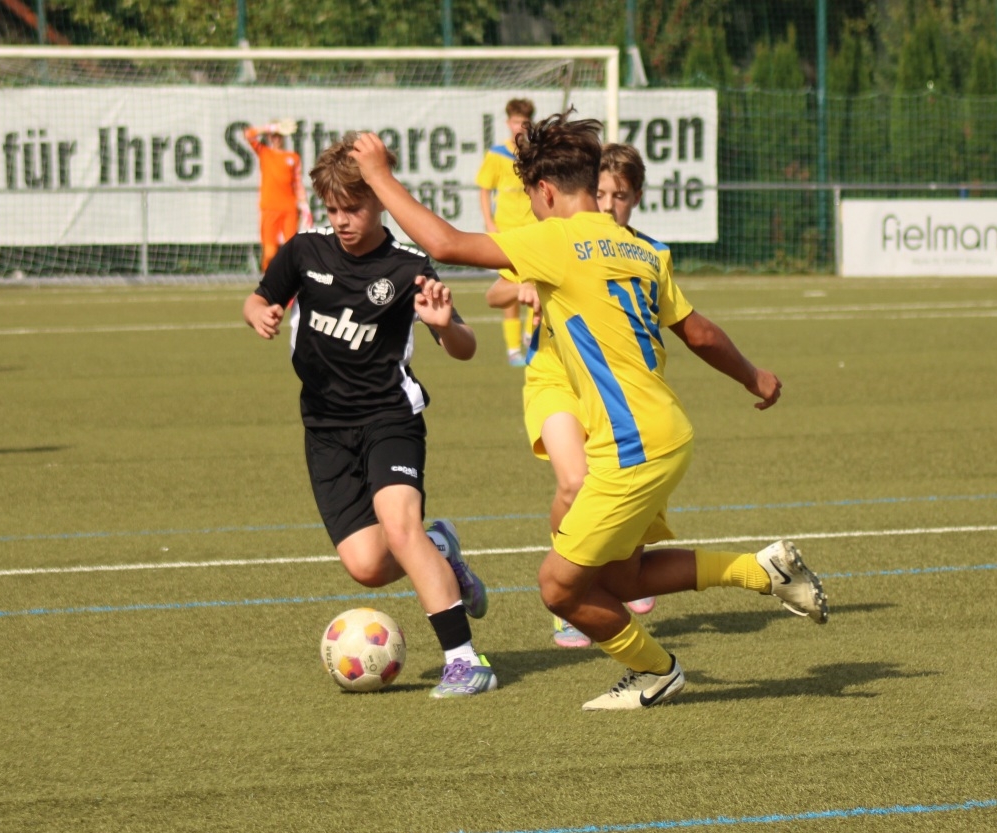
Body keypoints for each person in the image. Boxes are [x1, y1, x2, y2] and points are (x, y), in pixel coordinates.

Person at [350, 114, 827, 711]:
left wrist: (380, 175)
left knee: (558, 588)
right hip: (664, 433)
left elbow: (444, 243)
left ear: (545, 192)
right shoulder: (641, 248)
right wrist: (754, 375)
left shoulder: (554, 241)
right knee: (624, 579)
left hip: (633, 448)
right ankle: (764, 571)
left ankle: (655, 671)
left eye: (531, 198)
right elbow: (698, 332)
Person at [243, 132, 496, 699]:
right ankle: (442, 548)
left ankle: (465, 661)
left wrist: (445, 324)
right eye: (333, 209)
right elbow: (258, 298)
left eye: (353, 208)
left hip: (389, 419)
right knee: (366, 566)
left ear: (379, 201)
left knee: (400, 527)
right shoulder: (304, 252)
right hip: (325, 429)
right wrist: (258, 313)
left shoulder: (408, 266)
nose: (342, 220)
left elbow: (465, 347)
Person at [484, 143, 663, 649]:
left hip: (614, 385)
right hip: (556, 378)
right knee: (574, 482)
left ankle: (621, 570)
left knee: (620, 482)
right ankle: (569, 592)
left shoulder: (641, 252)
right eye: (601, 194)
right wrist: (522, 289)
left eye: (620, 196)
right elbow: (494, 292)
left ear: (636, 198)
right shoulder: (554, 239)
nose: (609, 205)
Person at [475, 98, 536, 366]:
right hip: (507, 233)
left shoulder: (536, 153)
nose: (519, 127)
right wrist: (489, 223)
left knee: (538, 283)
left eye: (524, 122)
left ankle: (531, 337)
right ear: (507, 123)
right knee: (510, 287)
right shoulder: (497, 154)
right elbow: (485, 190)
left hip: (534, 231)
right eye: (515, 122)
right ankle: (513, 349)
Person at [244, 119, 313, 272]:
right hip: (270, 208)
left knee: (291, 250)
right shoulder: (264, 152)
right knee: (270, 252)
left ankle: (290, 281)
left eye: (279, 135)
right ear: (269, 137)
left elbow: (297, 183)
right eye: (274, 135)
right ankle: (268, 278)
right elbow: (248, 134)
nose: (276, 138)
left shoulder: (293, 157)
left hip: (289, 208)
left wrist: (305, 206)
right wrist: (270, 127)